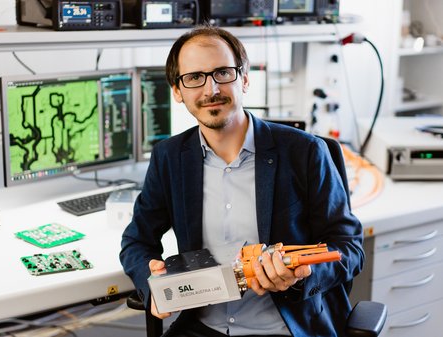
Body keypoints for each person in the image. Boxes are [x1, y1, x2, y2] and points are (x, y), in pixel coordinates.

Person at [120, 24, 364, 337]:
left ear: (244, 79)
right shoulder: (170, 157)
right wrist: (150, 280)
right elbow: (136, 242)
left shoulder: (305, 152)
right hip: (202, 327)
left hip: (285, 328)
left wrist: (301, 276)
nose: (211, 90)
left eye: (223, 72)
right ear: (178, 92)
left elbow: (350, 248)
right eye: (194, 78)